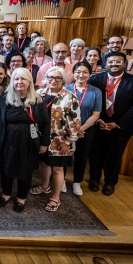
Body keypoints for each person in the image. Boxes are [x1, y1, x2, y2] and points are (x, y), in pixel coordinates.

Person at [0, 67, 50, 212]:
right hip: (8, 141)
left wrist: (44, 143)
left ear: (29, 81)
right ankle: (6, 194)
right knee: (6, 169)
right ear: (12, 82)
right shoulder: (4, 99)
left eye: (23, 78)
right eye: (16, 79)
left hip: (29, 142)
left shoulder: (37, 100)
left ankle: (21, 198)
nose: (19, 82)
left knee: (26, 170)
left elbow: (46, 123)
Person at [88, 51, 133, 196]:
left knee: (114, 155)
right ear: (105, 64)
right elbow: (88, 101)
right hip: (98, 123)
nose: (114, 64)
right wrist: (98, 119)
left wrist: (119, 123)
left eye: (118, 61)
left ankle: (110, 182)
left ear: (125, 64)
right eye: (111, 61)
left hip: (121, 127)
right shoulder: (96, 79)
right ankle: (94, 179)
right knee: (96, 154)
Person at [32, 67, 81, 212]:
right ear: (45, 78)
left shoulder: (69, 97)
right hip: (41, 139)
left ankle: (55, 197)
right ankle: (44, 186)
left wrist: (68, 142)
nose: (53, 81)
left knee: (58, 169)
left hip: (60, 141)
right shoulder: (38, 94)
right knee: (43, 164)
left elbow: (76, 122)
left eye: (57, 78)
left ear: (63, 80)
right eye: (50, 77)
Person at [66, 61, 102, 196]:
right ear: (73, 73)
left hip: (86, 129)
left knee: (82, 155)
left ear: (90, 74)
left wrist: (81, 128)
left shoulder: (95, 91)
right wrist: (72, 129)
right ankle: (62, 180)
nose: (81, 75)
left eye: (85, 72)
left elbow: (96, 114)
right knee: (65, 154)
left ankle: (77, 182)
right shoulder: (66, 88)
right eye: (78, 72)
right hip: (66, 128)